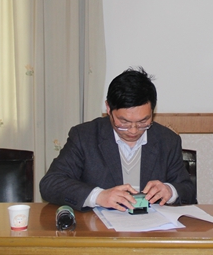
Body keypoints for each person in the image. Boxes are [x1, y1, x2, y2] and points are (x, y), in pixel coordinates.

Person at [40, 67, 196, 211]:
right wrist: (98, 196)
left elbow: (188, 190)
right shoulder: (84, 136)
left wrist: (170, 191)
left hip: (151, 228)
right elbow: (50, 183)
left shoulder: (167, 140)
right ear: (108, 108)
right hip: (99, 228)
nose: (133, 130)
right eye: (124, 122)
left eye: (143, 121)